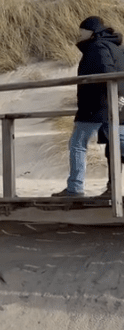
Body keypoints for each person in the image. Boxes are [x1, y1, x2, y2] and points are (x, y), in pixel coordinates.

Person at [53, 16, 124, 197]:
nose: (80, 34)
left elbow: (108, 73)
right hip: (113, 107)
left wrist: (115, 95)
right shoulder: (115, 48)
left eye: (82, 30)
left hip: (95, 106)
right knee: (117, 145)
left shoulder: (96, 47)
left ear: (91, 31)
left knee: (77, 144)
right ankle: (113, 188)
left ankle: (75, 188)